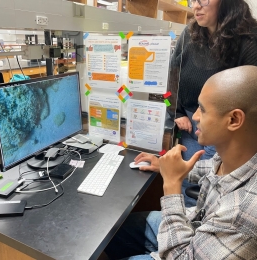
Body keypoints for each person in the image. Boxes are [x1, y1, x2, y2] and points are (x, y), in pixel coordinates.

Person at [105, 65, 257, 259]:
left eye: (202, 109)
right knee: (117, 231)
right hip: (198, 225)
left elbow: (181, 257)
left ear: (234, 119)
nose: (194, 117)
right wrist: (164, 166)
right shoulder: (238, 155)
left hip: (186, 253)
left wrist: (171, 185)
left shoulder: (243, 215)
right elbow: (212, 169)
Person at [167, 0, 257, 206]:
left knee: (218, 194)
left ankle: (198, 232)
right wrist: (177, 112)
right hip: (191, 124)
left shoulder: (249, 38)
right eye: (193, 0)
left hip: (231, 129)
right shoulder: (190, 34)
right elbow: (173, 74)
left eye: (203, 0)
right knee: (188, 185)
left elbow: (252, 92)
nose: (195, 6)